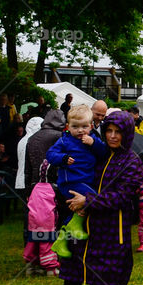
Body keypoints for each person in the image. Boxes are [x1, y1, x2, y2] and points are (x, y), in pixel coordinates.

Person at [53, 111, 142, 285]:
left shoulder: (131, 161)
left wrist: (88, 201)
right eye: (109, 130)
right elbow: (74, 173)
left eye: (118, 132)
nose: (112, 136)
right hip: (79, 228)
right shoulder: (97, 152)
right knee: (71, 282)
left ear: (127, 134)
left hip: (108, 231)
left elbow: (122, 196)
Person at [46, 106, 108, 258]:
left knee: (82, 207)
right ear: (68, 126)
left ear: (91, 126)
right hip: (71, 182)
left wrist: (94, 143)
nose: (80, 130)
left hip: (86, 182)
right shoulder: (65, 141)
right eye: (75, 127)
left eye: (84, 126)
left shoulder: (92, 139)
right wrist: (63, 158)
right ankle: (72, 229)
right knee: (94, 199)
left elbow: (104, 153)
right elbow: (50, 154)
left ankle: (62, 240)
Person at [23, 161, 59, 277]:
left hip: (33, 222)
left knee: (32, 244)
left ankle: (30, 267)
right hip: (47, 222)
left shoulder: (34, 187)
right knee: (46, 244)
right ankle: (51, 268)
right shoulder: (55, 188)